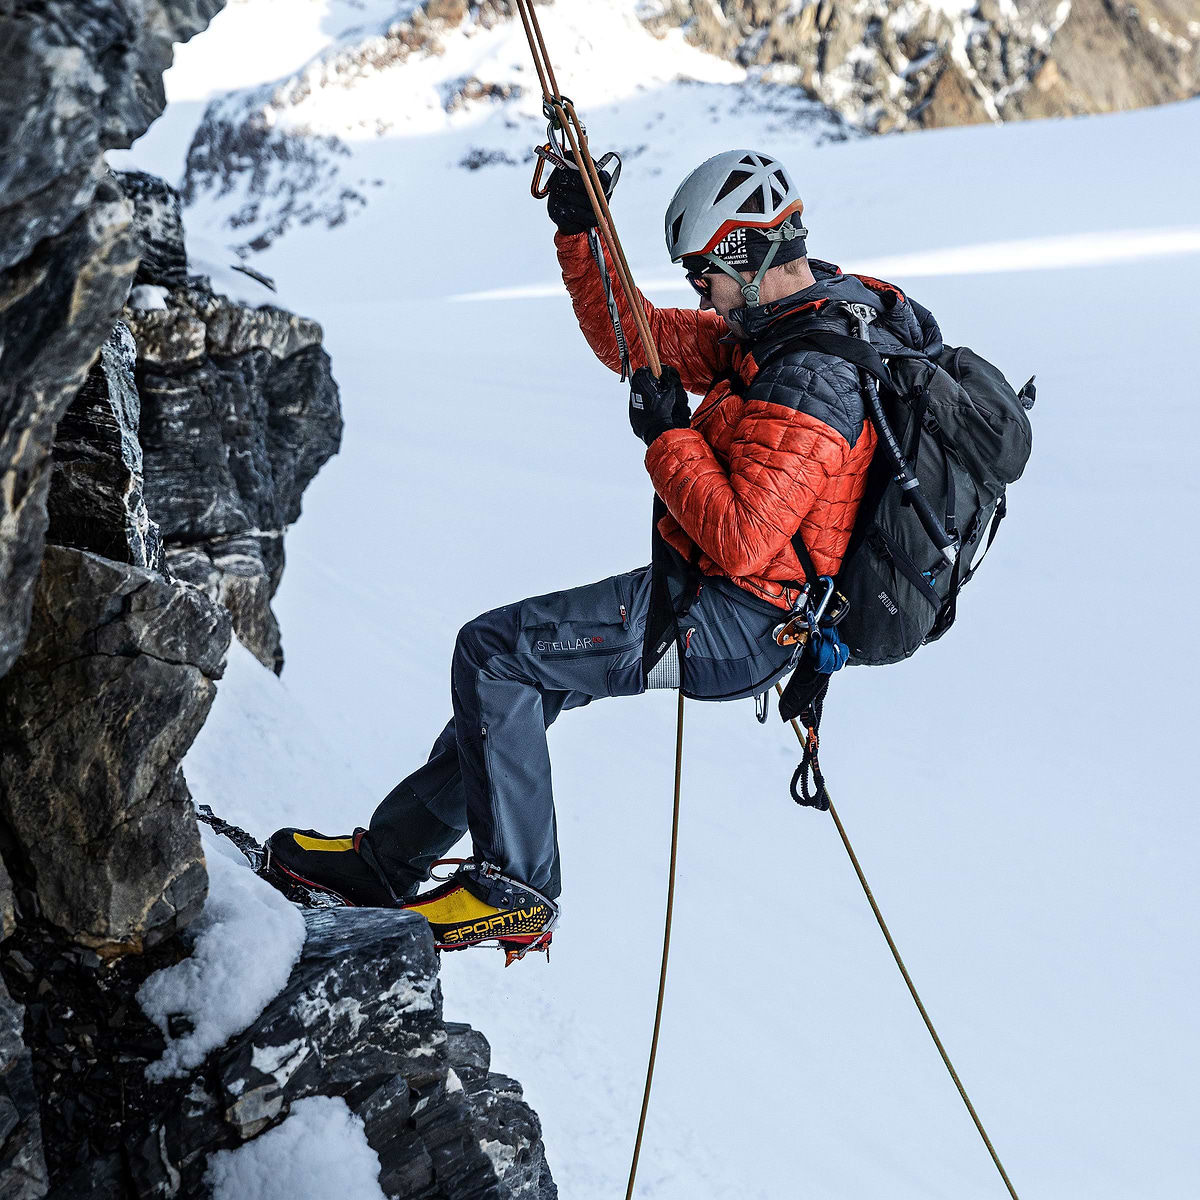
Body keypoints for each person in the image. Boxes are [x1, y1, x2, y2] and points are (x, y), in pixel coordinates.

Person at [267, 149, 945, 963]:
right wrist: (581, 234)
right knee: (514, 690)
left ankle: (516, 889)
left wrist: (667, 436)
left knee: (496, 656)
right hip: (723, 601)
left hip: (741, 622)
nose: (701, 293)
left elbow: (741, 539)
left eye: (704, 274)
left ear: (745, 253)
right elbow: (641, 342)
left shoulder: (813, 379)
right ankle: (387, 864)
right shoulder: (775, 329)